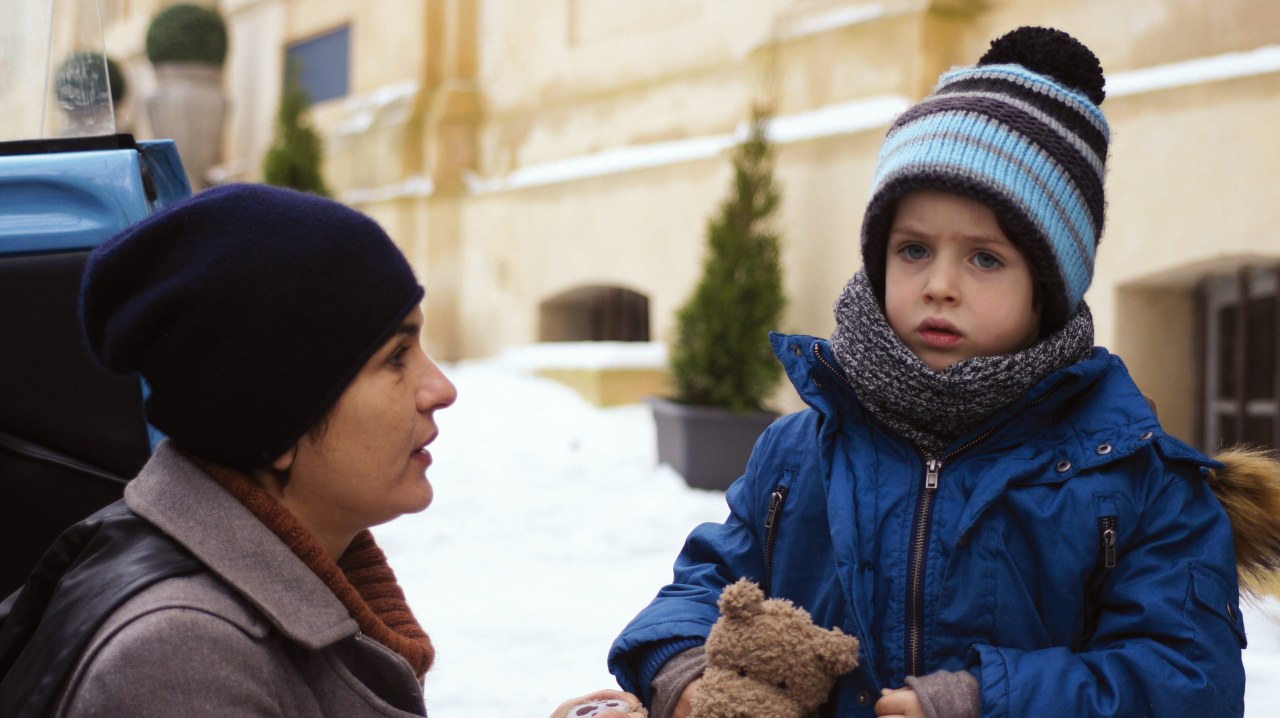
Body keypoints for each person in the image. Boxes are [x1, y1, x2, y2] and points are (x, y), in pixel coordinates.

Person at [607, 26, 1280, 718]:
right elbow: (706, 589)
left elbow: (1185, 682)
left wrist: (983, 702)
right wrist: (683, 675)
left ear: (1047, 287)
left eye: (985, 258)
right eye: (913, 249)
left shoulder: (1135, 483)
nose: (940, 285)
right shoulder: (800, 451)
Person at [0, 183, 643, 718]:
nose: (440, 388)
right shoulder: (183, 660)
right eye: (395, 357)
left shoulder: (277, 579)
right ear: (274, 421)